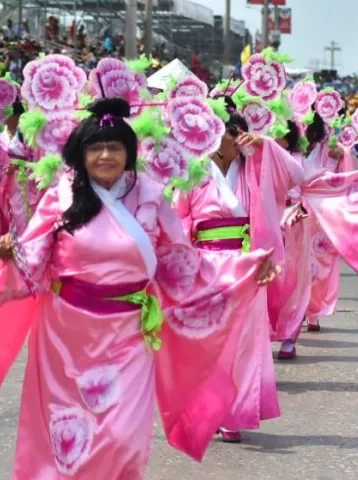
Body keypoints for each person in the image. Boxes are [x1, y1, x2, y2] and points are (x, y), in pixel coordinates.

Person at [0, 98, 279, 478]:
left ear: (129, 153)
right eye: (95, 147)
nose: (104, 156)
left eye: (114, 147)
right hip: (65, 337)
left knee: (123, 440)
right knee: (65, 440)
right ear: (80, 153)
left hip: (129, 335)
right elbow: (32, 264)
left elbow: (182, 264)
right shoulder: (61, 196)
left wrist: (245, 263)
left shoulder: (149, 195)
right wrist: (8, 253)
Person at [176, 109, 301, 443]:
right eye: (219, 132)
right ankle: (205, 408)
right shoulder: (193, 171)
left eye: (231, 133)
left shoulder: (254, 168)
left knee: (242, 341)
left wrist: (264, 145)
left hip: (245, 264)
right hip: (203, 265)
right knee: (205, 342)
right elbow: (178, 217)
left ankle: (232, 412)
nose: (225, 139)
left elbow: (296, 175)